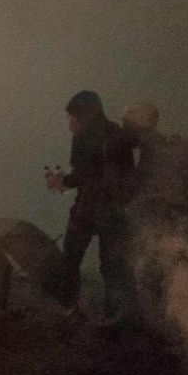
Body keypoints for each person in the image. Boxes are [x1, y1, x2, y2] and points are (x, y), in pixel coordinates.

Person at [45, 90, 137, 319]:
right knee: (112, 266)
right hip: (114, 211)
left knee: (71, 258)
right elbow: (128, 174)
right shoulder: (117, 133)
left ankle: (70, 307)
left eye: (72, 118)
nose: (70, 124)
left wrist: (62, 181)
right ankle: (114, 316)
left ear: (82, 116)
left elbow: (83, 174)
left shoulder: (84, 136)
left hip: (89, 209)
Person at [122, 101, 188, 328]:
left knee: (168, 271)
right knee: (167, 268)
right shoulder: (172, 148)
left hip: (165, 221)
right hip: (172, 220)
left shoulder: (157, 149)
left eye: (129, 122)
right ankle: (170, 328)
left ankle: (175, 330)